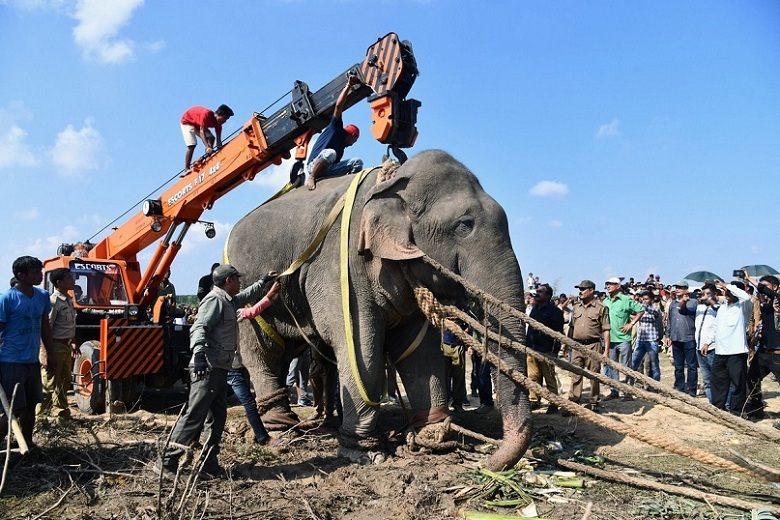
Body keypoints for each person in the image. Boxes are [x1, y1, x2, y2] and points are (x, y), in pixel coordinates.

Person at [155, 265, 278, 479]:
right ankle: (167, 461)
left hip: (220, 368)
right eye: (237, 279)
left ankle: (209, 462)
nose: (240, 283)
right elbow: (199, 327)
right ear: (229, 281)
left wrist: (264, 282)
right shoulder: (215, 300)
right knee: (195, 415)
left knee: (217, 418)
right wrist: (200, 354)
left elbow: (245, 296)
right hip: (208, 369)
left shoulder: (228, 301)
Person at [0, 256, 57, 449]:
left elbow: (45, 327)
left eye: (40, 271)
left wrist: (50, 353)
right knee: (14, 408)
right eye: (35, 272)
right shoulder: (7, 299)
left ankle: (27, 443)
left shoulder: (41, 296)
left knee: (32, 404)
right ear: (21, 276)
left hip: (32, 360)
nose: (41, 275)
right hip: (10, 361)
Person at [304, 74, 363, 190]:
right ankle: (312, 177)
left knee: (357, 162)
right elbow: (338, 106)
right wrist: (348, 85)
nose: (352, 144)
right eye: (354, 140)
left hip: (328, 169)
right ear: (352, 134)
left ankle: (347, 188)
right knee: (330, 153)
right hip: (314, 165)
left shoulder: (341, 149)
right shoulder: (336, 128)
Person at [564, 280, 611, 415]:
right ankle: (573, 402)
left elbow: (606, 330)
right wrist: (567, 344)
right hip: (577, 345)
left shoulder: (601, 308)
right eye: (579, 289)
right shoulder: (576, 307)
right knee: (575, 374)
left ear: (591, 290)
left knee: (594, 375)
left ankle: (594, 402)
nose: (580, 291)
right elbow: (572, 327)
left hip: (593, 345)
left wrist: (606, 351)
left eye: (583, 289)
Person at [37, 268, 78, 422]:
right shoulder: (53, 301)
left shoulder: (67, 299)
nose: (73, 280)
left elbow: (67, 325)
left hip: (65, 347)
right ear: (59, 282)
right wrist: (47, 353)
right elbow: (45, 328)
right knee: (48, 385)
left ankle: (61, 414)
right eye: (69, 278)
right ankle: (40, 419)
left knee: (63, 382)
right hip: (54, 347)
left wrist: (73, 342)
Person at [711, 280, 752, 416]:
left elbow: (745, 296)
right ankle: (717, 412)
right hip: (720, 352)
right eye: (726, 291)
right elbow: (716, 328)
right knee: (718, 384)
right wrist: (708, 342)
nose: (726, 293)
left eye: (729, 291)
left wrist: (727, 285)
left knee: (738, 385)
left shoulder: (743, 306)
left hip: (736, 352)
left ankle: (736, 413)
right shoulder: (722, 308)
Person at [743, 272, 780, 419]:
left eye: (765, 287)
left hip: (778, 354)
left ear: (776, 287)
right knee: (752, 380)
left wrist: (749, 279)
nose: (761, 290)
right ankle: (756, 410)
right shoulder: (765, 306)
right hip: (763, 352)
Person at [602, 277, 644, 401]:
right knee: (612, 366)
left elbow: (641, 310)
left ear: (618, 286)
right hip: (610, 340)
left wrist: (631, 324)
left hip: (624, 339)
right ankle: (614, 391)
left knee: (626, 367)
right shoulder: (605, 301)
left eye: (611, 284)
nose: (608, 286)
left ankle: (628, 392)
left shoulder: (626, 300)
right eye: (607, 284)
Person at [526, 284, 564, 413]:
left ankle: (553, 403)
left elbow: (559, 334)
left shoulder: (555, 312)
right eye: (536, 291)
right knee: (533, 376)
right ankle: (534, 400)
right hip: (531, 348)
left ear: (548, 295)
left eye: (540, 292)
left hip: (546, 350)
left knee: (549, 378)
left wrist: (555, 351)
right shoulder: (534, 309)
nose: (537, 294)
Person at [680, 283, 719, 402]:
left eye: (708, 294)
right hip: (699, 347)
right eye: (703, 294)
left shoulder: (719, 308)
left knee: (717, 378)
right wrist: (684, 301)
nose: (705, 296)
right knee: (707, 380)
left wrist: (707, 343)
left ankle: (720, 404)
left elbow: (718, 311)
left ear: (715, 295)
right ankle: (713, 404)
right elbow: (683, 311)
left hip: (712, 347)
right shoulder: (699, 307)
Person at [665, 280, 699, 397]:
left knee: (691, 366)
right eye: (677, 287)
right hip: (676, 337)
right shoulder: (672, 304)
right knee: (678, 366)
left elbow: (687, 313)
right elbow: (669, 321)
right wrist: (668, 335)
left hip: (689, 337)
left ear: (686, 289)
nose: (678, 289)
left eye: (681, 287)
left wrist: (684, 302)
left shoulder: (693, 302)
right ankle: (679, 387)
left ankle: (691, 389)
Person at [181, 104, 234, 172]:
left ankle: (208, 157)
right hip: (187, 121)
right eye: (225, 118)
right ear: (219, 114)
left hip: (198, 124)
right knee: (192, 144)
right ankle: (186, 168)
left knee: (211, 138)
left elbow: (218, 141)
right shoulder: (206, 114)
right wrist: (207, 147)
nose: (225, 121)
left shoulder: (218, 125)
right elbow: (202, 132)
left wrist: (220, 147)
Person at [630, 290, 664, 383]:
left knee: (654, 365)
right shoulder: (639, 309)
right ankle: (633, 384)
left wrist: (642, 306)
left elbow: (653, 311)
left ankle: (656, 386)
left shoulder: (655, 308)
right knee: (634, 363)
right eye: (643, 299)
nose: (644, 301)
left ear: (652, 300)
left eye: (646, 299)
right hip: (640, 340)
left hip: (652, 340)